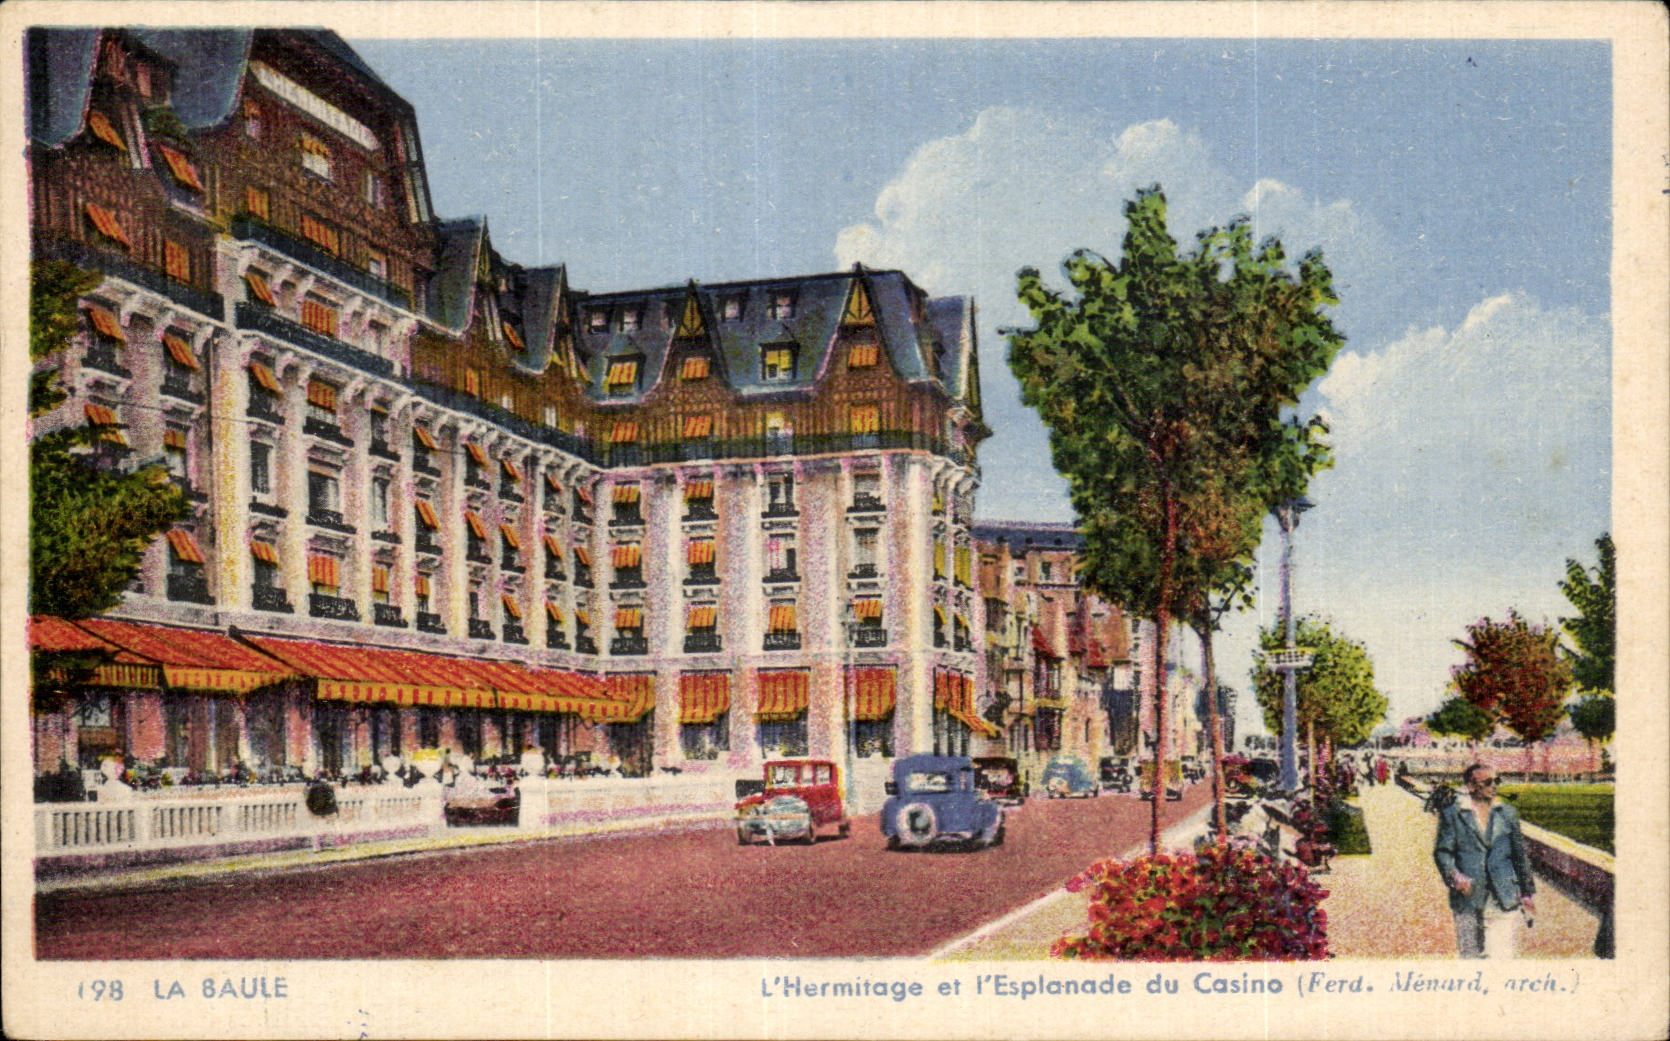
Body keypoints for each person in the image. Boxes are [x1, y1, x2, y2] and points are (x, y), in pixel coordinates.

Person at [1432, 764, 1536, 958]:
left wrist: (1527, 893)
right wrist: (1455, 876)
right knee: (1470, 957)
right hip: (1468, 897)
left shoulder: (1507, 814)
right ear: (1471, 787)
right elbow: (1442, 852)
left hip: (1503, 896)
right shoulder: (1453, 814)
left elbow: (1519, 855)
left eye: (1497, 781)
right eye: (1488, 782)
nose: (1494, 786)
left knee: (1501, 956)